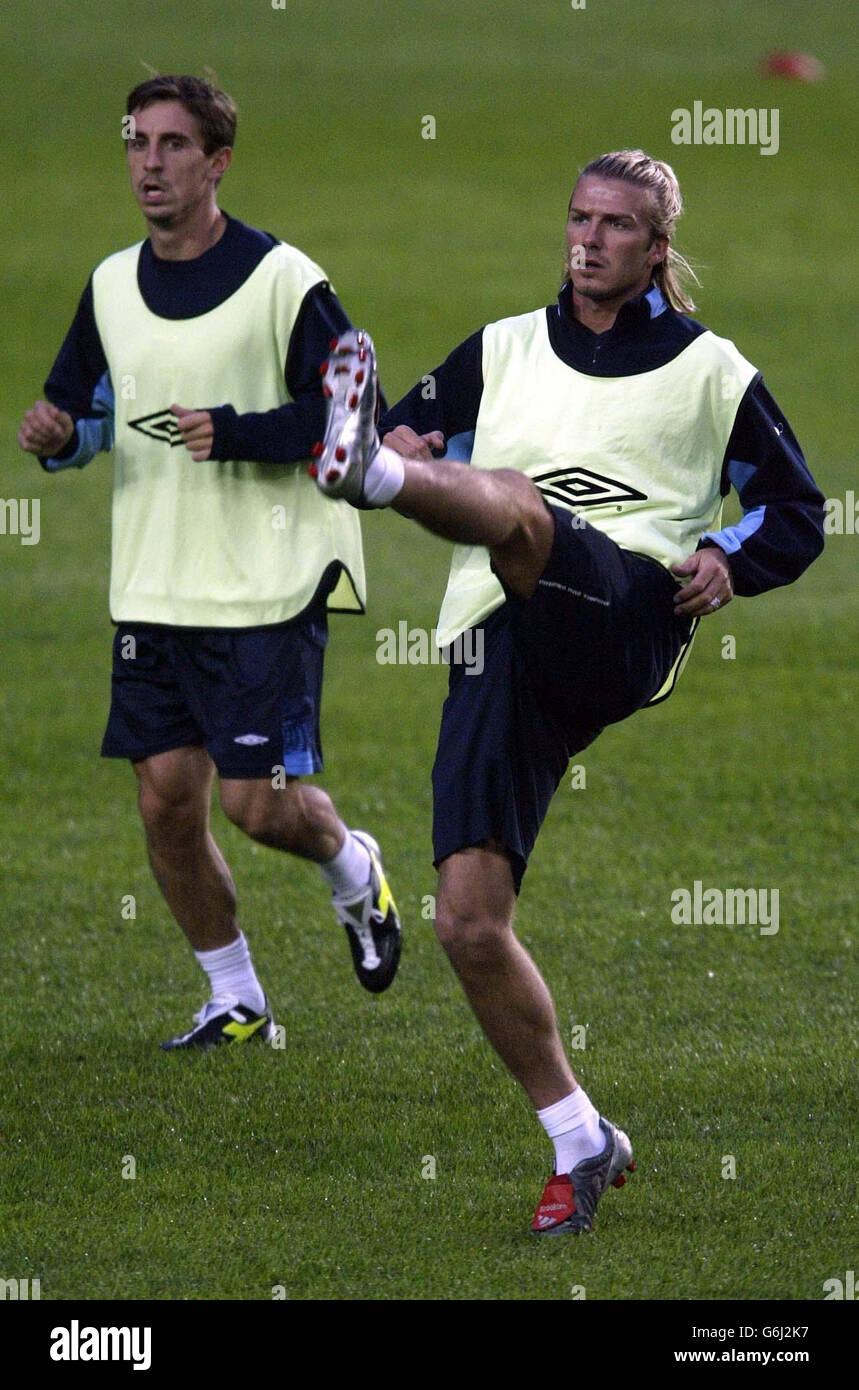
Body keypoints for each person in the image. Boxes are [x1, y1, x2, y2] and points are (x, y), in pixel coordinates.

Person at [310, 150, 825, 1233]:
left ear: (656, 249)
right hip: (497, 637)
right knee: (465, 920)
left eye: (617, 226)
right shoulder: (499, 349)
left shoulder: (709, 370)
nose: (589, 239)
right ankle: (580, 1137)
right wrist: (388, 448)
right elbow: (409, 429)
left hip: (629, 612)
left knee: (513, 502)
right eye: (579, 218)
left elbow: (797, 508)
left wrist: (729, 557)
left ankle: (377, 486)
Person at [17, 74, 401, 1051]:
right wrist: (58, 435)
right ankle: (236, 997)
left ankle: (354, 870)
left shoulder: (282, 279)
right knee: (163, 802)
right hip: (155, 581)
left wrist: (232, 431)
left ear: (217, 161)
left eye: (173, 145)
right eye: (138, 142)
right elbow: (91, 408)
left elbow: (351, 413)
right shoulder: (110, 284)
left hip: (267, 582)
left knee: (257, 805)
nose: (150, 162)